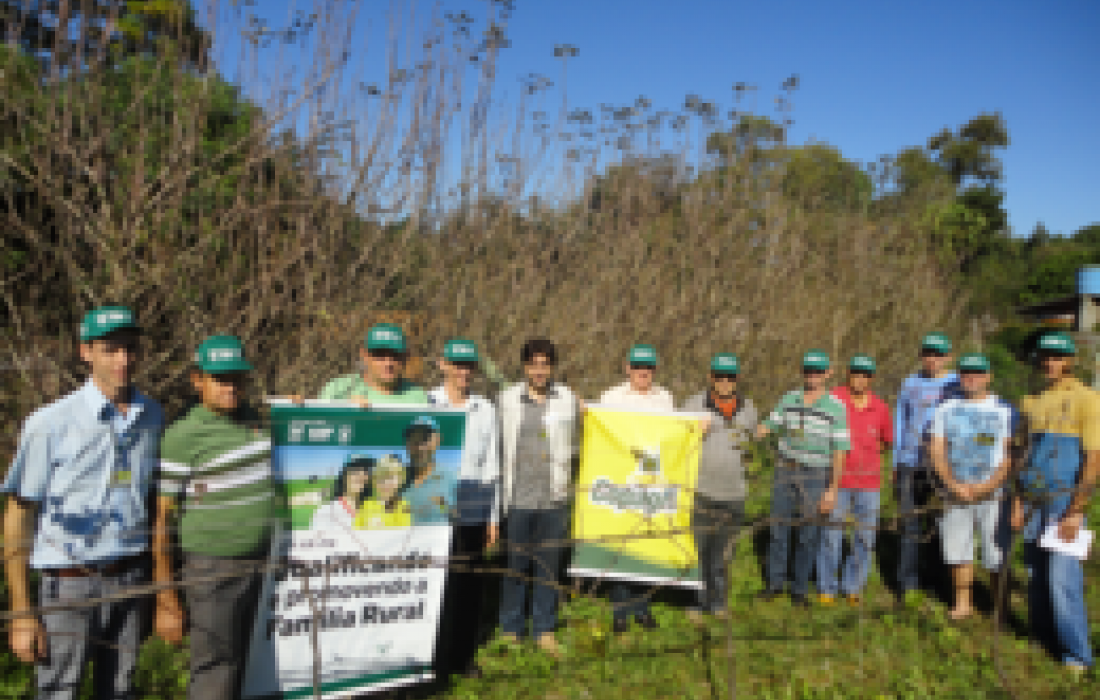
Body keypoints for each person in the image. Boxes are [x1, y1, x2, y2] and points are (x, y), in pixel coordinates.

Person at [2, 306, 164, 700]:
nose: (122, 360)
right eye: (110, 349)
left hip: (128, 580)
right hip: (69, 584)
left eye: (129, 348)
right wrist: (23, 612)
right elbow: (18, 517)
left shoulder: (153, 417)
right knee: (60, 690)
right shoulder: (50, 423)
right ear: (85, 351)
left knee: (122, 689)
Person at [154, 335, 276, 700]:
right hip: (212, 570)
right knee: (215, 669)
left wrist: (300, 409)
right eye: (220, 378)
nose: (231, 386)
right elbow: (161, 521)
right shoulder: (182, 435)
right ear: (197, 379)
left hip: (263, 563)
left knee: (255, 662)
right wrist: (167, 600)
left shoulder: (256, 420)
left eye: (237, 377)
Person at [1012, 331, 1099, 673]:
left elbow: (1093, 460)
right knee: (1035, 574)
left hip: (1065, 503)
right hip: (1033, 500)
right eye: (1045, 356)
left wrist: (1077, 510)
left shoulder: (1088, 400)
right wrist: (1018, 502)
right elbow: (1021, 455)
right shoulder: (1030, 400)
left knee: (1063, 581)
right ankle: (1041, 637)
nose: (1050, 363)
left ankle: (1076, 656)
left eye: (1058, 357)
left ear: (1071, 361)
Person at [497, 338, 579, 657]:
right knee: (515, 568)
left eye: (545, 364)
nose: (539, 370)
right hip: (517, 498)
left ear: (553, 367)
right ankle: (511, 628)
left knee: (548, 568)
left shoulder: (567, 399)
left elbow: (579, 439)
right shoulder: (506, 399)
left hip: (553, 500)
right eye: (534, 364)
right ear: (524, 367)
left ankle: (544, 630)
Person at [428, 338, 501, 678]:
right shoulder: (427, 402)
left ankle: (462, 656)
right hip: (434, 505)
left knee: (469, 584)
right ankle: (435, 657)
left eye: (468, 365)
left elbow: (492, 465)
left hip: (474, 503)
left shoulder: (485, 409)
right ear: (443, 364)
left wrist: (493, 517)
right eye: (456, 364)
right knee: (437, 583)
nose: (463, 371)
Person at [756, 349, 849, 606]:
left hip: (817, 474)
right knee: (778, 528)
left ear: (828, 373)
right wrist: (747, 434)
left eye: (819, 371)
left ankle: (799, 589)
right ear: (802, 371)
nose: (813, 375)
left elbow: (840, 450)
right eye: (809, 370)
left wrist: (832, 489)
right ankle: (774, 584)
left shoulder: (836, 407)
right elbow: (769, 425)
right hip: (785, 469)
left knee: (809, 533)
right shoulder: (789, 399)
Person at [928, 353, 1014, 621]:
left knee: (996, 553)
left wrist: (988, 485)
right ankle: (963, 603)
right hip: (955, 493)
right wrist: (952, 484)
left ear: (988, 376)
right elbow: (937, 450)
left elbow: (1011, 454)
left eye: (977, 373)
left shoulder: (1005, 410)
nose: (971, 377)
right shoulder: (945, 409)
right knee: (958, 550)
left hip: (994, 493)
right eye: (966, 373)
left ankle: (1000, 606)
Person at [598, 344, 676, 634]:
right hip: (621, 480)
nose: (643, 372)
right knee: (620, 547)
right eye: (638, 366)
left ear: (655, 369)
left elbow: (673, 436)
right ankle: (620, 612)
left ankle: (642, 609)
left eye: (649, 367)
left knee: (645, 546)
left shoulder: (665, 398)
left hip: (652, 481)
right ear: (626, 367)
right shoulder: (610, 397)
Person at [681, 353, 758, 622]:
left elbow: (751, 449)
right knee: (697, 552)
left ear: (737, 379)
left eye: (730, 377)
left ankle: (718, 602)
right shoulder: (693, 404)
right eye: (719, 376)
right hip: (701, 491)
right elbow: (676, 443)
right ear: (710, 377)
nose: (724, 382)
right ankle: (695, 604)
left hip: (734, 493)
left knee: (723, 554)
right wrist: (691, 432)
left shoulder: (749, 408)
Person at [817, 355, 893, 605]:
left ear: (872, 378)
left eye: (865, 374)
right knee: (831, 536)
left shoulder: (880, 407)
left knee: (864, 537)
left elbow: (885, 441)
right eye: (855, 373)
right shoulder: (833, 400)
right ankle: (827, 587)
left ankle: (853, 587)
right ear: (847, 375)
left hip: (869, 483)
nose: (860, 379)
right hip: (837, 480)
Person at [893, 332, 960, 600]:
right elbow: (900, 422)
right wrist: (896, 462)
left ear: (948, 357)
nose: (932, 359)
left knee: (940, 524)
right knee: (909, 523)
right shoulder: (909, 383)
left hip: (943, 467)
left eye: (938, 354)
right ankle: (906, 584)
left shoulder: (957, 383)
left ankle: (938, 581)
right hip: (910, 463)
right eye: (928, 353)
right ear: (921, 355)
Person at [318, 323, 428, 404]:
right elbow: (318, 428)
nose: (388, 363)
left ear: (405, 358)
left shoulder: (417, 396)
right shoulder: (338, 389)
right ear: (364, 356)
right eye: (379, 355)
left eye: (396, 356)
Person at [401, 416, 458, 524]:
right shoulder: (395, 478)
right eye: (413, 441)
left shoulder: (452, 478)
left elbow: (459, 520)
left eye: (425, 440)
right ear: (407, 445)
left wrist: (444, 506)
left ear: (438, 441)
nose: (420, 448)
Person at [311, 453, 375, 530]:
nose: (361, 475)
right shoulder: (326, 511)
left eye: (366, 471)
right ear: (344, 476)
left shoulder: (375, 511)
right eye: (355, 470)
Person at [354, 456, 412, 528]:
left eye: (390, 477)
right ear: (374, 481)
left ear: (400, 481)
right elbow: (358, 528)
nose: (385, 482)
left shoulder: (403, 506)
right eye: (381, 477)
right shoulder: (366, 505)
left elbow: (404, 530)